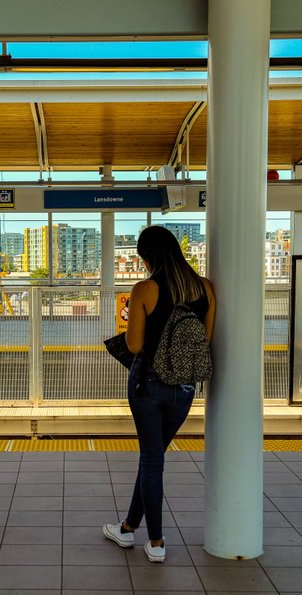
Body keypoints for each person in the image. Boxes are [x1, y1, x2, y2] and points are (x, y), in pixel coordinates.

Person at [103, 225, 216, 563]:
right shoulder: (205, 289)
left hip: (147, 386)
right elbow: (205, 341)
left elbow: (135, 345)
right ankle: (126, 528)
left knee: (152, 460)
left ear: (148, 257)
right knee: (153, 458)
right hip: (183, 389)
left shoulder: (145, 289)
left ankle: (155, 541)